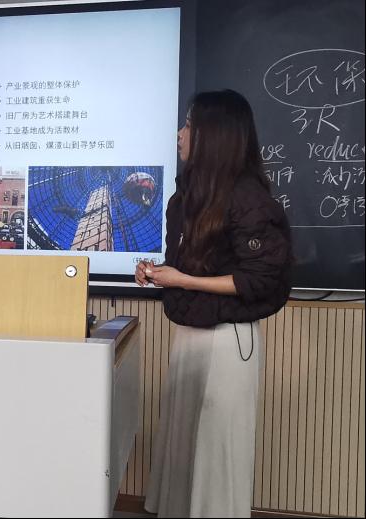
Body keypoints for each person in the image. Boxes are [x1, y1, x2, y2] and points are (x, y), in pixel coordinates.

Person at [136, 90, 292, 518]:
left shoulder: (248, 199)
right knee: (184, 443)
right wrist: (156, 273)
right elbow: (183, 263)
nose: (179, 134)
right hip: (190, 333)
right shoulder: (186, 197)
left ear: (214, 134)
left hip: (227, 340)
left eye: (189, 125)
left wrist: (182, 279)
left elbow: (259, 278)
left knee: (218, 446)